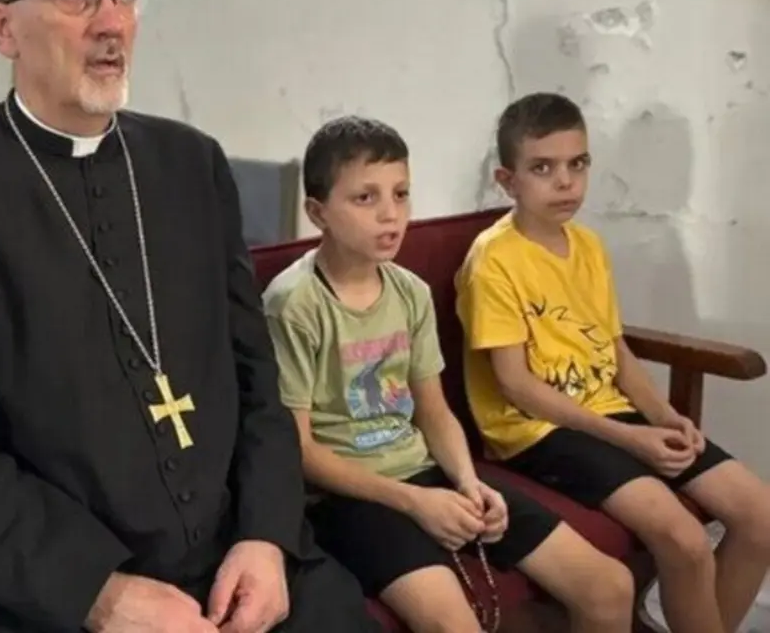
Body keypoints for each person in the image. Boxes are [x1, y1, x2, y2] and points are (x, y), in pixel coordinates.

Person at [0, 0, 380, 631]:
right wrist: (100, 595)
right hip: (48, 584)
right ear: (3, 27)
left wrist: (264, 537)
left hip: (237, 557)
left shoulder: (193, 165)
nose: (111, 22)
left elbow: (257, 377)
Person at [263, 115, 634, 633]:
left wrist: (467, 483)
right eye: (365, 199)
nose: (390, 215)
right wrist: (417, 503)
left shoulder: (409, 291)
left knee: (608, 586)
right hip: (348, 496)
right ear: (318, 212)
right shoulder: (294, 304)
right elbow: (300, 451)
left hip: (425, 470)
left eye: (401, 194)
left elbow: (433, 410)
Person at [455, 92, 770, 633]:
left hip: (609, 414)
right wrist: (630, 438)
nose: (565, 182)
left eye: (577, 164)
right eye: (543, 168)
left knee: (760, 514)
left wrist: (663, 415)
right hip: (538, 430)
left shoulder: (588, 246)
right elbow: (516, 386)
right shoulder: (494, 260)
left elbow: (613, 349)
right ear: (508, 181)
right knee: (685, 539)